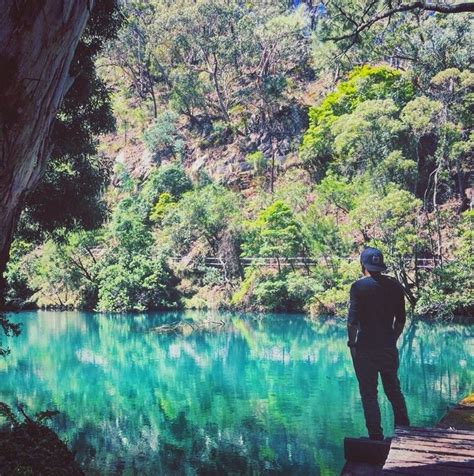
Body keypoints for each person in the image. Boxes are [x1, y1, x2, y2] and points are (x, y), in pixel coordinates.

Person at [347, 247, 410, 440]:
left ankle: (375, 436)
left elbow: (352, 322)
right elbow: (400, 320)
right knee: (393, 390)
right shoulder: (395, 285)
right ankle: (404, 433)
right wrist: (393, 339)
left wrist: (352, 343)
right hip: (387, 347)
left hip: (365, 349)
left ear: (363, 265)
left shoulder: (358, 287)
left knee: (369, 393)